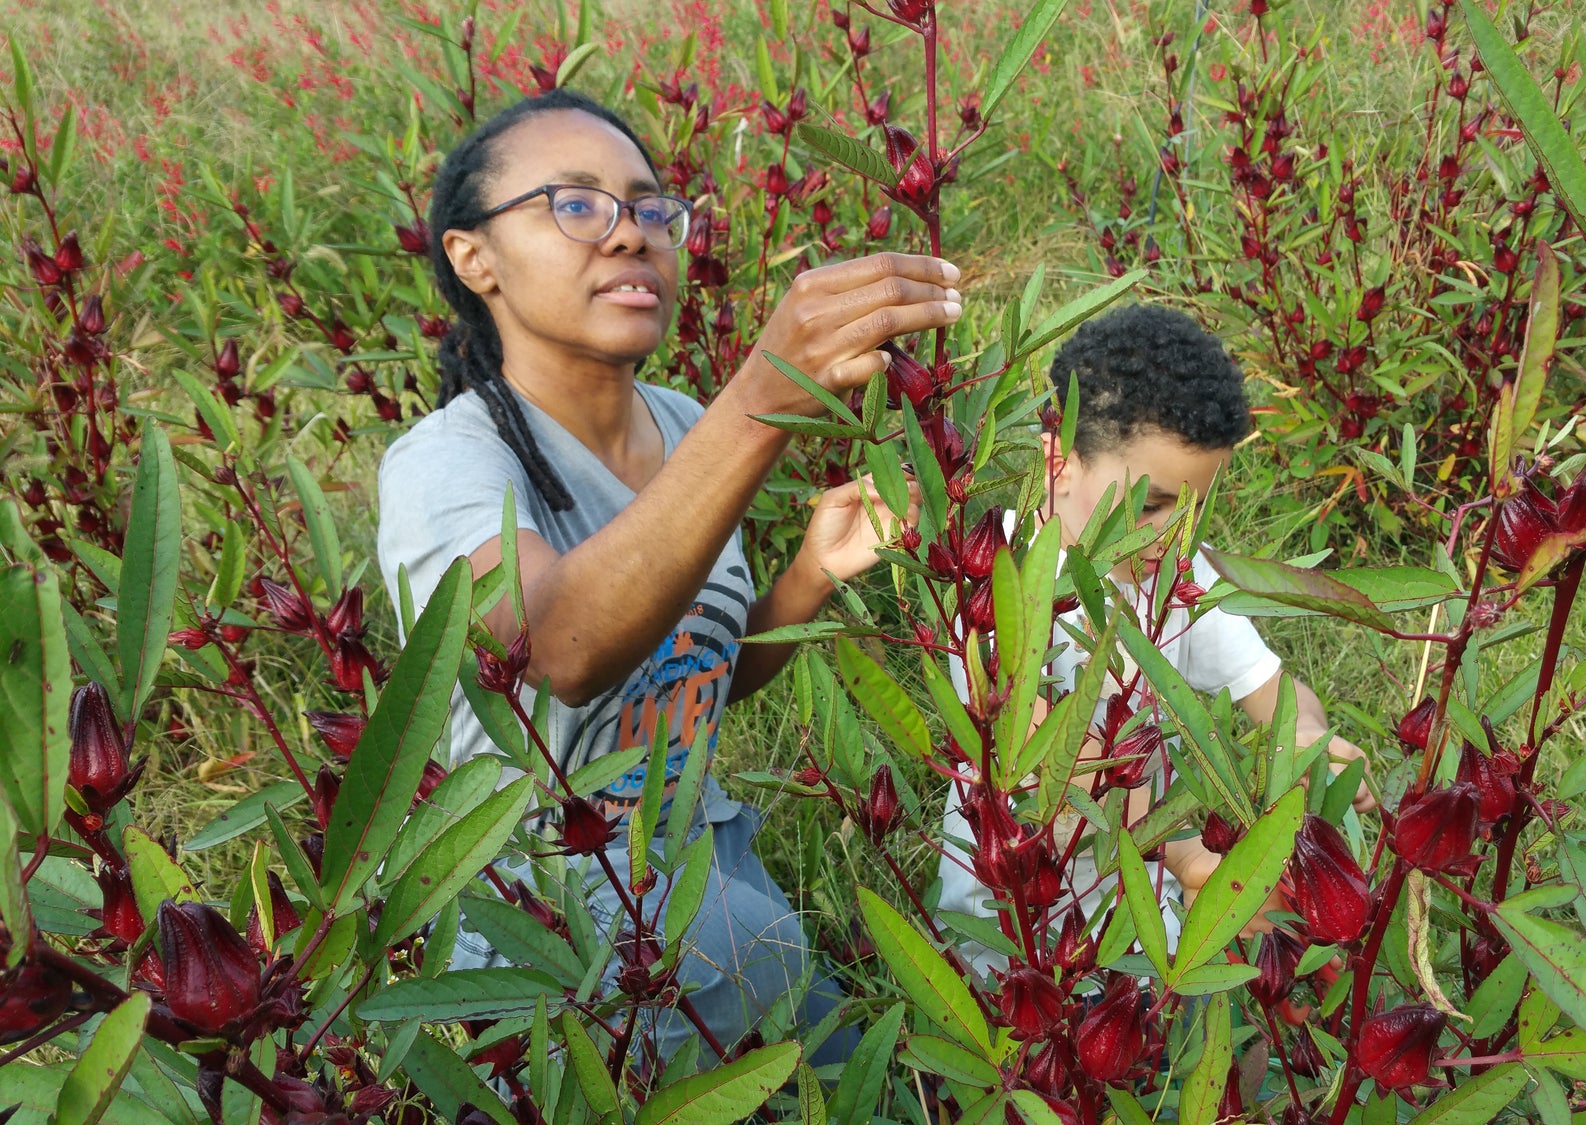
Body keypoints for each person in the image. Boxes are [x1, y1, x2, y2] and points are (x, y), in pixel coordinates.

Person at [375, 88, 960, 1065]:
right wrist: (763, 397)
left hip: (700, 859)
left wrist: (807, 578)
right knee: (778, 988)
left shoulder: (685, 421)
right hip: (546, 894)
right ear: (473, 258)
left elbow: (694, 676)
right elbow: (559, 650)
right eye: (575, 203)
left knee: (858, 1064)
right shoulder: (444, 463)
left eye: (650, 208)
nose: (629, 233)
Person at [936, 304, 1373, 980]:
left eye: (1195, 508)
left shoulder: (1177, 573)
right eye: (1151, 505)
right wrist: (1192, 856)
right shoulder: (996, 580)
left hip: (1147, 905)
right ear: (1058, 462)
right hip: (1013, 931)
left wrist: (1306, 740)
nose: (1174, 534)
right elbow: (1059, 765)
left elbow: (1272, 688)